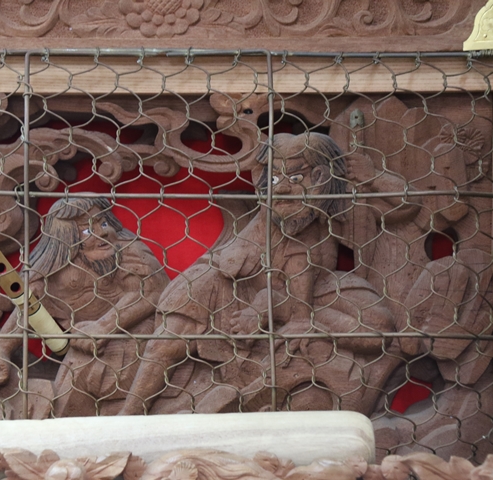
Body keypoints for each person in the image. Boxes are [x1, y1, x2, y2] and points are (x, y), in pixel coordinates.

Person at [118, 132, 395, 415]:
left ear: (321, 176)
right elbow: (245, 262)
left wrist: (373, 177)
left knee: (374, 325)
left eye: (296, 178)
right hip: (236, 284)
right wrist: (272, 306)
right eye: (274, 179)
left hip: (305, 296)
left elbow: (403, 207)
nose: (282, 189)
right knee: (171, 336)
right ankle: (130, 413)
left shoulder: (341, 208)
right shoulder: (245, 247)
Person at [0, 197, 169, 416]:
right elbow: (30, 305)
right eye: (87, 230)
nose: (102, 233)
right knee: (70, 383)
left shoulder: (127, 248)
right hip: (85, 346)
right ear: (66, 237)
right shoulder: (52, 265)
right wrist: (3, 349)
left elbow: (151, 291)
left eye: (103, 223)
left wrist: (104, 326)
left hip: (137, 336)